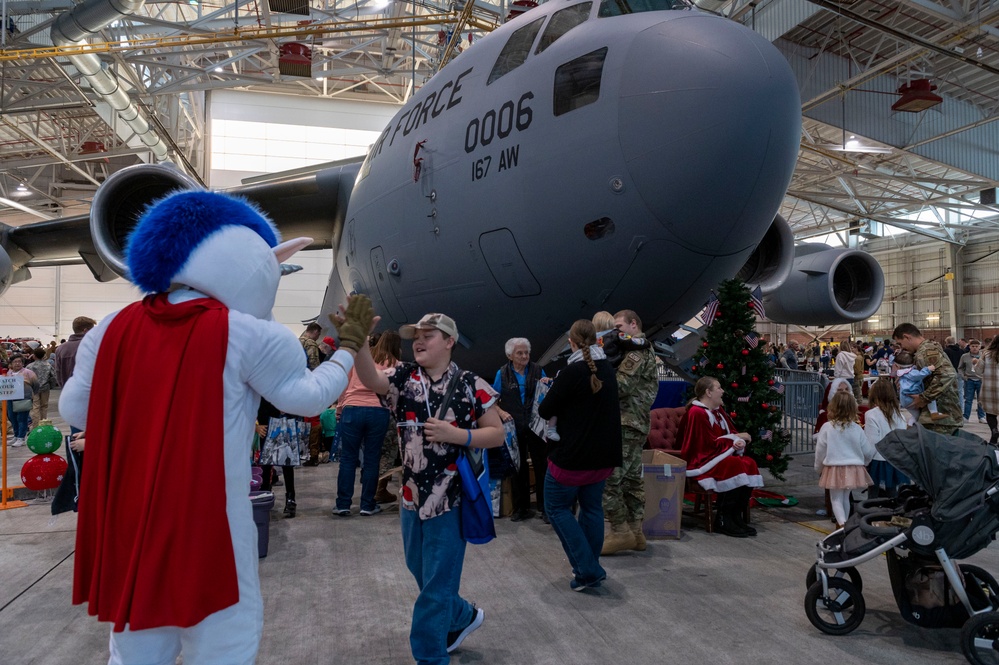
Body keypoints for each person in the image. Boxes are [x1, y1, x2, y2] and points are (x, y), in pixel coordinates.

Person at [59, 190, 368, 665]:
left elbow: (76, 408)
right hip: (211, 520)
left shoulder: (111, 328)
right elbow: (307, 397)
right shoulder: (247, 333)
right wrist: (348, 345)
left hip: (132, 516)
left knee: (137, 643)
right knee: (227, 635)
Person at [351, 308, 505, 665]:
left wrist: (458, 434)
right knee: (420, 570)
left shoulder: (470, 384)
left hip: (451, 498)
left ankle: (430, 657)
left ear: (449, 342)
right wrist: (358, 343)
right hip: (411, 497)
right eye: (415, 336)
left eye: (428, 335)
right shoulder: (405, 377)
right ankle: (462, 615)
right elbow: (371, 379)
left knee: (435, 586)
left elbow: (496, 433)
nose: (418, 341)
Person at [536, 319, 621, 589]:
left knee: (557, 508)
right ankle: (589, 568)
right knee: (592, 509)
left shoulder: (571, 372)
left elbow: (544, 410)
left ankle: (587, 570)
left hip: (572, 459)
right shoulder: (607, 369)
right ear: (596, 339)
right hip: (602, 458)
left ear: (571, 342)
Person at [601, 309, 658, 555]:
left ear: (634, 324)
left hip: (626, 423)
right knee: (633, 480)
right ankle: (636, 532)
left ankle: (620, 530)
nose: (617, 332)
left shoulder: (636, 353)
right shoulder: (640, 349)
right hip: (635, 423)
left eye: (620, 326)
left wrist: (602, 368)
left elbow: (621, 386)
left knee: (609, 479)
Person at [679, 376, 764, 537]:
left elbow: (729, 434)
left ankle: (734, 515)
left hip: (715, 457)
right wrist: (735, 439)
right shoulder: (697, 413)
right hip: (701, 461)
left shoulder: (718, 412)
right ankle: (723, 518)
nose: (723, 391)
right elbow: (704, 445)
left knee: (749, 462)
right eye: (718, 388)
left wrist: (737, 441)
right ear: (708, 392)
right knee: (734, 465)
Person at [333, 329, 395, 517]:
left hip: (352, 409)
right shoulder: (393, 362)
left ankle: (343, 504)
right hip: (379, 410)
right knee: (372, 458)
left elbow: (344, 382)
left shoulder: (356, 359)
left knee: (348, 458)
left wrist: (340, 406)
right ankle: (367, 505)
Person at [492, 337, 550, 522]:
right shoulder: (501, 374)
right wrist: (500, 412)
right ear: (510, 355)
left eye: (526, 352)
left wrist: (548, 382)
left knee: (543, 466)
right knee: (518, 467)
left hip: (535, 425)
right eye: (520, 353)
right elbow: (492, 401)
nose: (524, 356)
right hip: (514, 425)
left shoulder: (538, 370)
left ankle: (545, 507)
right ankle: (520, 507)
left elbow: (548, 393)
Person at [815, 391, 874, 529]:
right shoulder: (856, 428)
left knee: (835, 499)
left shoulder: (827, 428)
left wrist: (818, 468)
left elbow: (820, 451)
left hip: (834, 467)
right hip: (853, 467)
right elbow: (867, 450)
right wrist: (864, 463)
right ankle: (845, 525)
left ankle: (841, 526)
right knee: (846, 498)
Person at [892, 323, 962, 434]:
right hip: (938, 415)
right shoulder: (926, 349)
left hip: (941, 416)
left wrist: (924, 398)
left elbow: (947, 375)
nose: (902, 348)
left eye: (900, 344)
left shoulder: (925, 352)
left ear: (907, 337)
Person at [863, 378, 913, 498]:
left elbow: (872, 443)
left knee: (873, 495)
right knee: (892, 494)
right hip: (895, 459)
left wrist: (865, 462)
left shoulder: (871, 415)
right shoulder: (899, 415)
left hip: (877, 460)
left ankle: (872, 515)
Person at [894, 350, 944, 422]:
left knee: (916, 415)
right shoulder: (910, 372)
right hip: (912, 396)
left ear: (897, 366)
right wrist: (928, 369)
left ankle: (910, 426)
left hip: (904, 399)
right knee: (930, 397)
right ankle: (934, 413)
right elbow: (919, 375)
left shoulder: (902, 374)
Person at [54, 316, 96, 388]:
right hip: (89, 392)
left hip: (67, 391)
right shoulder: (93, 346)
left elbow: (58, 373)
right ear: (85, 330)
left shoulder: (60, 349)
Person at [5, 354, 37, 446]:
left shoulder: (28, 372)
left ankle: (21, 437)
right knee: (12, 417)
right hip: (11, 398)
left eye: (19, 361)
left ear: (23, 363)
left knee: (22, 418)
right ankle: (16, 435)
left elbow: (36, 385)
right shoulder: (9, 373)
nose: (17, 364)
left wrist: (32, 395)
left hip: (23, 398)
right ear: (11, 363)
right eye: (15, 362)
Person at [958, 339, 987, 424]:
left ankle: (981, 417)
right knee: (968, 399)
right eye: (972, 346)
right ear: (969, 347)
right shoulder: (964, 356)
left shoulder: (983, 356)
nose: (974, 348)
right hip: (969, 380)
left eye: (976, 346)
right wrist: (963, 377)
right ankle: (966, 416)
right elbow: (960, 368)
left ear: (979, 347)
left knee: (980, 399)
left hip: (980, 380)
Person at [26, 346, 55, 428]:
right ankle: (44, 424)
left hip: (34, 388)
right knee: (44, 406)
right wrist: (51, 385)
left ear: (34, 356)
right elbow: (53, 376)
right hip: (45, 388)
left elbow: (26, 377)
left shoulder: (30, 366)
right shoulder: (48, 365)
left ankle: (35, 425)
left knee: (35, 407)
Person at [981, 336, 999, 446]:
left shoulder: (986, 354)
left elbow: (978, 370)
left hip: (988, 389)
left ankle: (994, 431)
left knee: (990, 413)